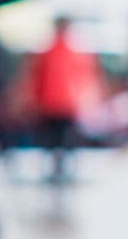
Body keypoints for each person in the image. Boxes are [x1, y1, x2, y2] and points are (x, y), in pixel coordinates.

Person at [22, 15, 105, 182]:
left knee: (52, 139)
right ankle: (63, 168)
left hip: (50, 103)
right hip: (67, 103)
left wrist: (34, 100)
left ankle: (56, 168)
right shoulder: (75, 52)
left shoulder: (48, 52)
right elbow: (84, 80)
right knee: (65, 139)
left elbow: (37, 79)